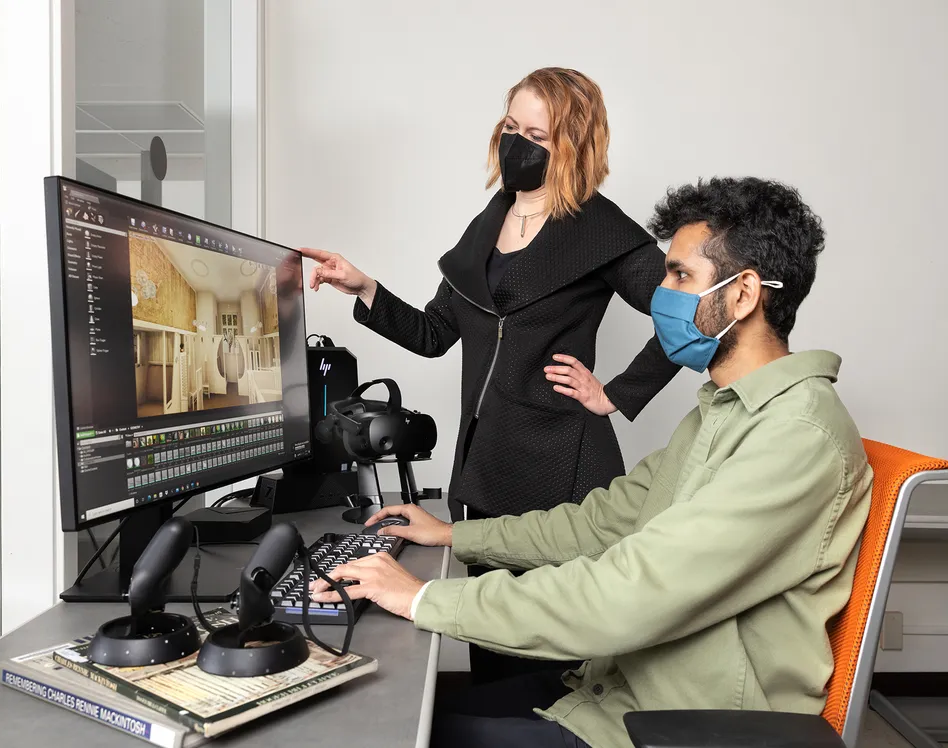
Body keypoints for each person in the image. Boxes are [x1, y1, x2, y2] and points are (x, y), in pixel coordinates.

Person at [310, 177, 874, 748]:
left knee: (392, 732)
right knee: (410, 712)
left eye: (679, 276)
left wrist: (421, 597)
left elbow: (628, 593)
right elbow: (598, 523)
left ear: (744, 294)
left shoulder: (795, 438)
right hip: (617, 688)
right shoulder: (722, 415)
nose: (661, 294)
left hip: (685, 723)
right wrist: (456, 534)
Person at [299, 67, 680, 682]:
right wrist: (363, 285)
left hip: (565, 473)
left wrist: (614, 394)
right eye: (511, 126)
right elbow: (433, 334)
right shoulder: (489, 222)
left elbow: (687, 314)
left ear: (575, 146)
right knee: (493, 651)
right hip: (484, 472)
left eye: (538, 133)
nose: (517, 143)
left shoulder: (603, 231)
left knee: (558, 666)